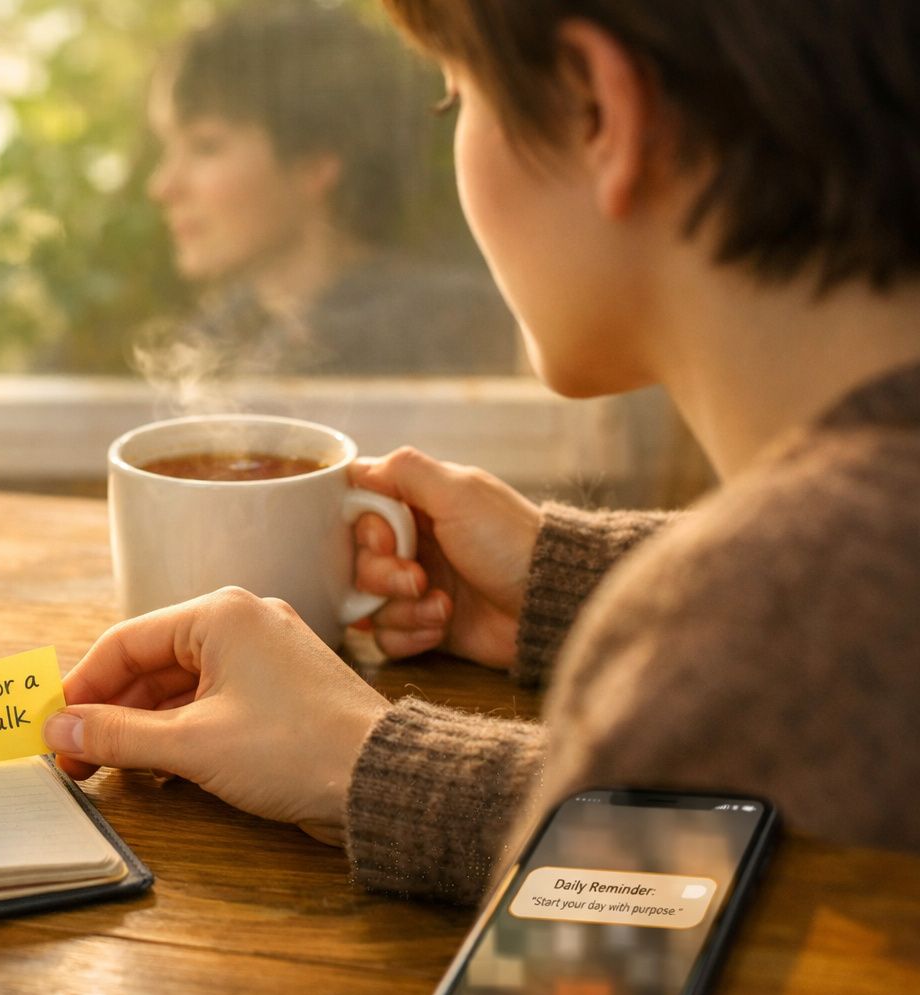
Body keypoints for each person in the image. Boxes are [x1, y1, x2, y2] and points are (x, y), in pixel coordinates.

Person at [45, 0, 920, 905]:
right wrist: (567, 580)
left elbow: (623, 933)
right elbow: (732, 831)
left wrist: (370, 765)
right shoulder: (838, 577)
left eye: (456, 100)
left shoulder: (774, 600)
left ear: (597, 111)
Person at [141, 0, 516, 378]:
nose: (163, 186)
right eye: (168, 149)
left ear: (316, 161)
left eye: (205, 147)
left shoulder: (451, 329)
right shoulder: (216, 337)